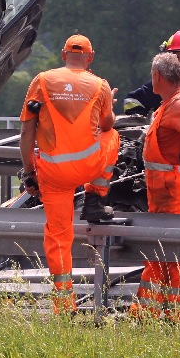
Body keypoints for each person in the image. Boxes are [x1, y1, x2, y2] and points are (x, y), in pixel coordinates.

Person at [18, 34, 119, 314]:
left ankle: (64, 305)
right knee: (113, 136)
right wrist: (108, 100)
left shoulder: (41, 81)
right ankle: (94, 197)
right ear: (91, 57)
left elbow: (27, 131)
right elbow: (108, 124)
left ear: (63, 55)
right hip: (89, 167)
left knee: (59, 236)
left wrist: (29, 173)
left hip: (53, 174)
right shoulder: (100, 85)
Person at [131, 52, 180, 321]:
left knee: (177, 256)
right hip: (165, 195)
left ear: (157, 77)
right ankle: (148, 312)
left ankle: (177, 315)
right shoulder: (170, 102)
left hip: (174, 194)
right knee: (160, 254)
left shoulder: (177, 104)